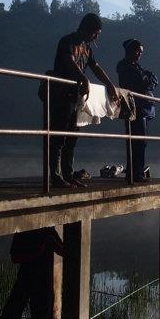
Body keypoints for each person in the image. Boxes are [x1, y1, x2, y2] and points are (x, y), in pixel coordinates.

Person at [49, 13, 121, 188]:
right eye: (95, 33)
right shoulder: (67, 42)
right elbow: (69, 61)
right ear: (86, 28)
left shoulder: (87, 48)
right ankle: (56, 176)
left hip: (77, 99)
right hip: (61, 95)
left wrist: (110, 85)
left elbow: (95, 67)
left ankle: (68, 173)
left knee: (72, 137)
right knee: (58, 137)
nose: (96, 37)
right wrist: (83, 78)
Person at [0, 228, 64, 319]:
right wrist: (40, 248)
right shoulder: (24, 229)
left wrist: (54, 244)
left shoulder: (48, 229)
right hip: (26, 278)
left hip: (43, 281)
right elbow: (15, 257)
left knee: (42, 316)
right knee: (12, 312)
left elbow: (62, 250)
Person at [116, 39, 158, 181]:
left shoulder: (135, 67)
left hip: (141, 108)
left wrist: (148, 80)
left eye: (141, 52)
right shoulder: (124, 66)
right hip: (133, 108)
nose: (140, 54)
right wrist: (147, 80)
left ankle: (137, 171)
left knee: (141, 141)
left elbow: (148, 83)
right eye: (138, 51)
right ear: (131, 51)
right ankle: (135, 174)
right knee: (136, 141)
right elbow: (139, 85)